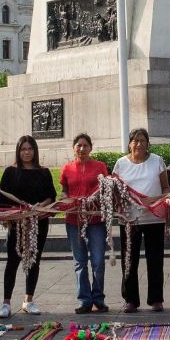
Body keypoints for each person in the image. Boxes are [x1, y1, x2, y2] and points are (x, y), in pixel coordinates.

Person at [0, 135, 57, 318]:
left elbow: (51, 196)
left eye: (30, 149)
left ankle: (28, 300)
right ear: (18, 151)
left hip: (38, 223)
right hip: (17, 223)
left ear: (35, 151)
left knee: (34, 260)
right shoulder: (10, 172)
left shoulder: (44, 172)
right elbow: (3, 200)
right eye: (23, 149)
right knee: (12, 261)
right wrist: (13, 216)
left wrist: (39, 207)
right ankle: (6, 303)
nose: (26, 152)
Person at [113, 128, 170, 313]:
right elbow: (115, 192)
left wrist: (153, 201)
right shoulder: (120, 164)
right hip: (130, 220)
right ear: (129, 143)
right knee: (129, 260)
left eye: (142, 140)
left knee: (155, 259)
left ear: (148, 143)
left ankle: (156, 299)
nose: (139, 144)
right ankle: (130, 299)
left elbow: (166, 189)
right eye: (135, 140)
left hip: (154, 218)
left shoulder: (157, 161)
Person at [61, 133, 109, 314]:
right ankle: (84, 300)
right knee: (79, 262)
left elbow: (106, 190)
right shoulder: (67, 168)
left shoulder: (100, 167)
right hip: (74, 220)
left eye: (85, 145)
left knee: (97, 261)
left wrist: (93, 202)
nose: (82, 149)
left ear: (90, 148)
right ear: (74, 148)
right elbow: (65, 192)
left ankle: (98, 298)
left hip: (96, 220)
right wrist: (67, 201)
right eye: (78, 145)